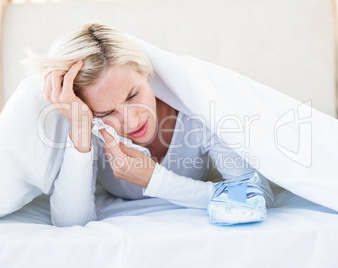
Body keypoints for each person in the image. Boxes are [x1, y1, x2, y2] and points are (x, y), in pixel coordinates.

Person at [26, 23, 274, 227]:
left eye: (133, 95)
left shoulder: (197, 113)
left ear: (145, 72)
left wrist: (155, 180)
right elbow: (69, 223)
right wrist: (80, 128)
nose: (132, 121)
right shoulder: (90, 123)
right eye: (106, 111)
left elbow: (255, 196)